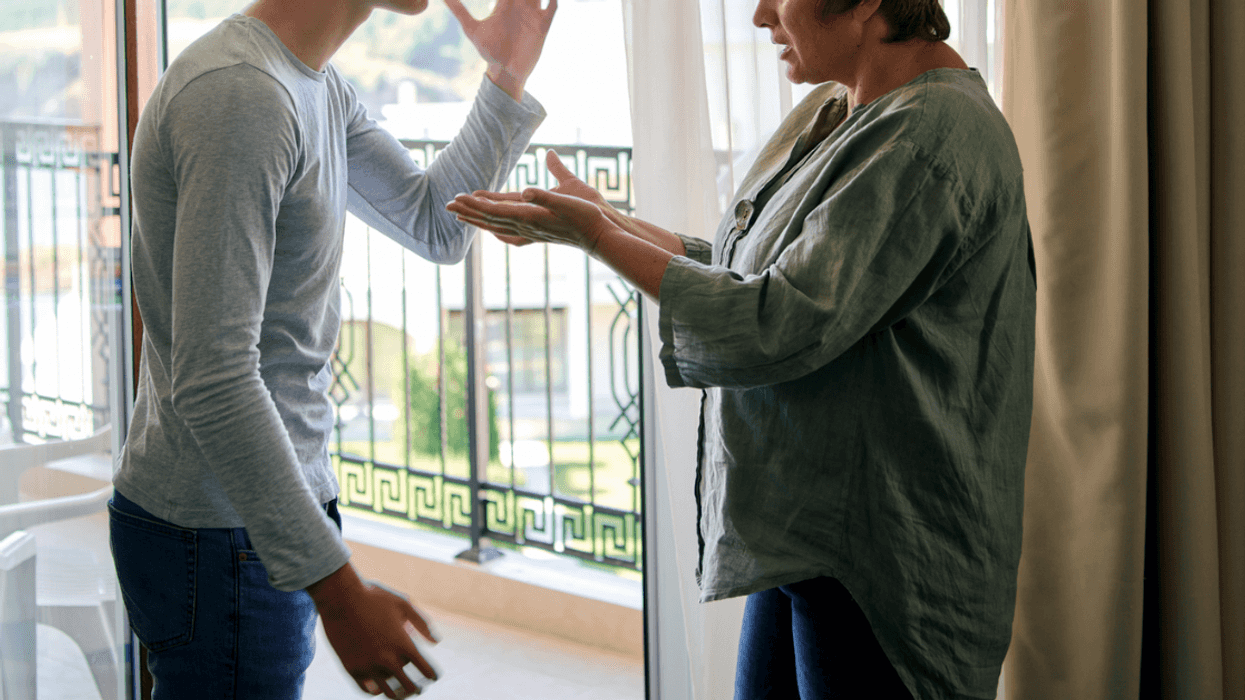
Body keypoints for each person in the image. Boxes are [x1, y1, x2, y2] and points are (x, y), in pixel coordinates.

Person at [447, 0, 1036, 697]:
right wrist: (604, 221)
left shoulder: (930, 135)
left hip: (878, 562)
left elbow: (775, 320)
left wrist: (598, 238)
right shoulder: (838, 112)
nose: (760, 16)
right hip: (804, 535)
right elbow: (746, 271)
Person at [108, 0, 556, 698]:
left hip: (253, 517)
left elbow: (431, 223)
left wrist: (506, 72)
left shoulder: (311, 81)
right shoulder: (240, 93)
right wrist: (338, 589)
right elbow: (214, 377)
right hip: (218, 532)